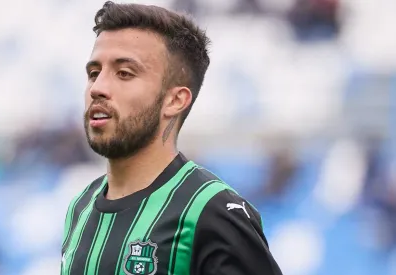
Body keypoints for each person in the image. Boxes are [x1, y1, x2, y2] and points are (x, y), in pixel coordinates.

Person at [60, 2, 283, 274]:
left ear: (175, 100)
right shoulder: (80, 207)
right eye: (94, 73)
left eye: (124, 73)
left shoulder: (211, 212)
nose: (98, 88)